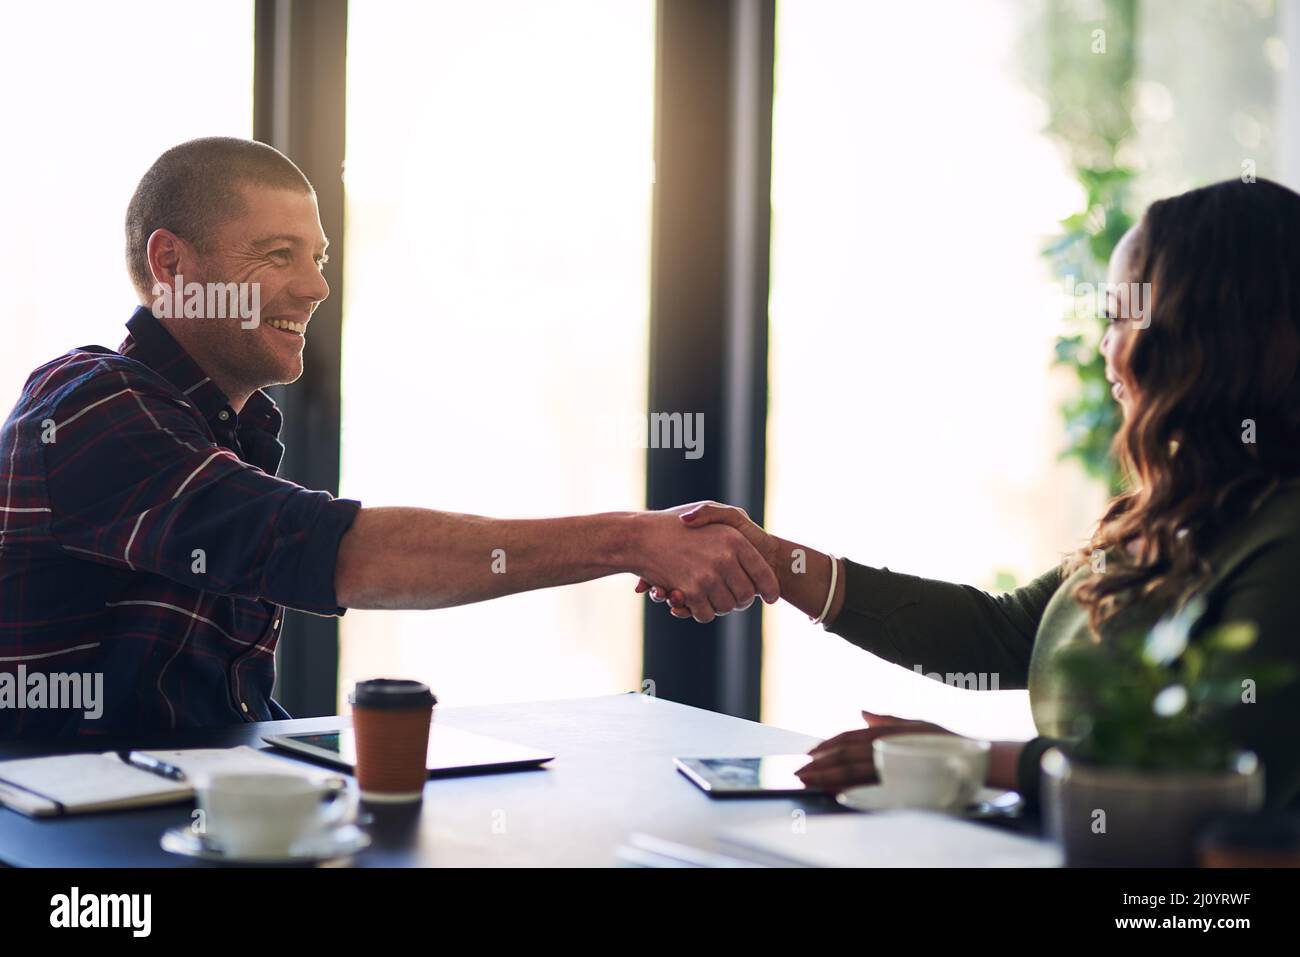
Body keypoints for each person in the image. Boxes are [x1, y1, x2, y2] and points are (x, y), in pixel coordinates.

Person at [0, 137, 778, 738]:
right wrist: (631, 540)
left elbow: (215, 713)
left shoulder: (225, 429)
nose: (316, 287)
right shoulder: (92, 408)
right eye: (278, 255)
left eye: (318, 258)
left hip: (176, 815)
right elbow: (338, 551)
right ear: (171, 263)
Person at [644, 178, 1300, 809]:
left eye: (1121, 315)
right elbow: (1008, 633)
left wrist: (970, 760)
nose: (1105, 347)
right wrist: (773, 560)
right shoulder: (1162, 515)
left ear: (1205, 338)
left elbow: (1220, 765)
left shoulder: (1284, 536)